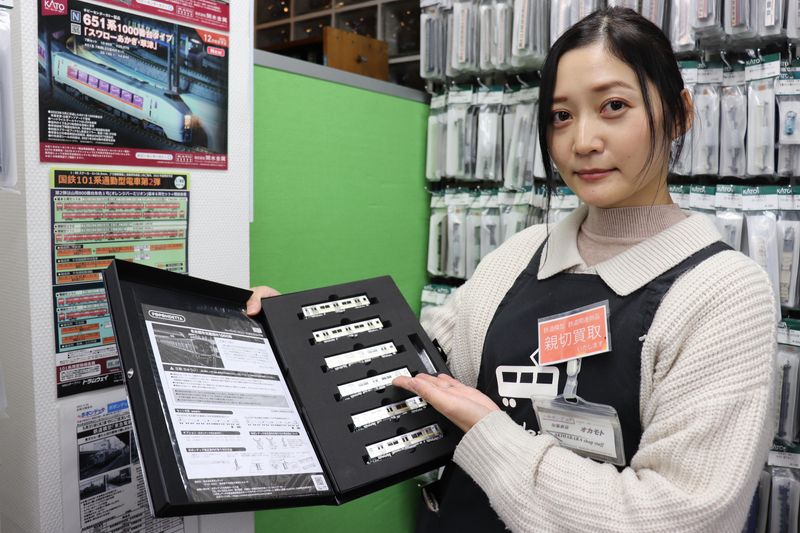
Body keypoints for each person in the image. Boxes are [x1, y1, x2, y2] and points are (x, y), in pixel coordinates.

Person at [248, 7, 776, 532]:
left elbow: (680, 518)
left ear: (680, 113)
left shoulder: (723, 293)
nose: (583, 141)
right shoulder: (518, 256)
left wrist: (490, 435)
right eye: (561, 116)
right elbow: (419, 376)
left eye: (614, 106)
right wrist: (300, 340)